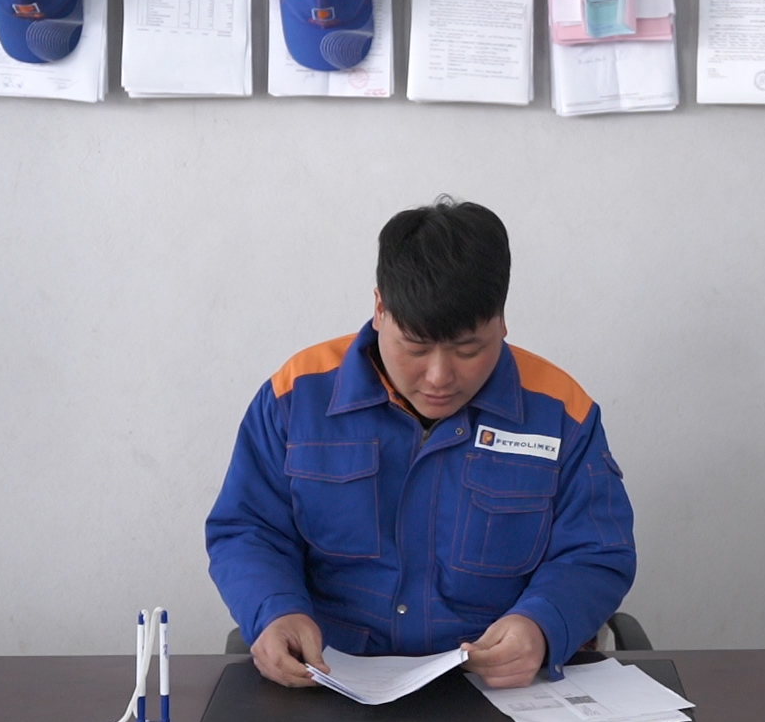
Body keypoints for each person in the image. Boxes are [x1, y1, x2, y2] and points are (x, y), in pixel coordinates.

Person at [206, 198, 636, 690]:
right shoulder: (297, 397)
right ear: (379, 309)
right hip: (329, 678)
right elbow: (248, 529)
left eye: (468, 349)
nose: (439, 377)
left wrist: (542, 623)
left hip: (493, 687)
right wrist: (274, 610)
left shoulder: (560, 412)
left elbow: (597, 552)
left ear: (501, 322)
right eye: (414, 347)